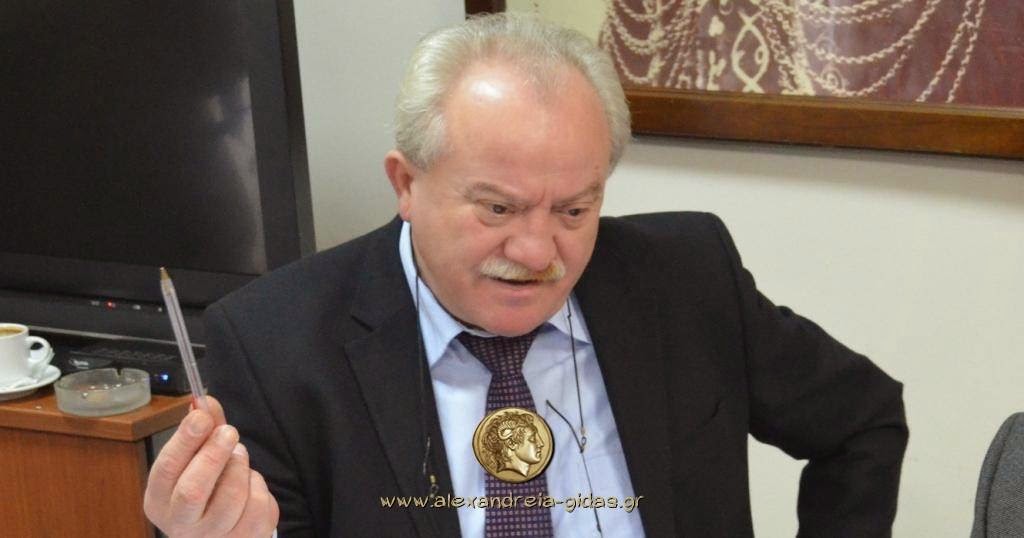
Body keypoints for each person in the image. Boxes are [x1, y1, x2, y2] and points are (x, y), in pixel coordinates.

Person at [144, 13, 908, 537]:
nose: (539, 252)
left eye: (574, 210)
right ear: (406, 183)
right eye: (498, 208)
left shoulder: (685, 279)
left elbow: (863, 419)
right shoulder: (276, 345)